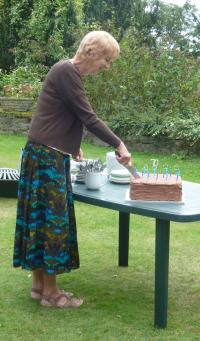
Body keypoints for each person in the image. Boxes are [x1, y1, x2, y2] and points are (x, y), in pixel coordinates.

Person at [13, 31, 131, 308]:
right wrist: (119, 144)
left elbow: (58, 115)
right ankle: (52, 294)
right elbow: (88, 117)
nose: (107, 66)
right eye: (106, 59)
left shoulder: (65, 71)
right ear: (91, 52)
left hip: (43, 154)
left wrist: (70, 145)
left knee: (40, 220)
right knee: (53, 223)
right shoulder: (68, 71)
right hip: (46, 159)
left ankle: (40, 285)